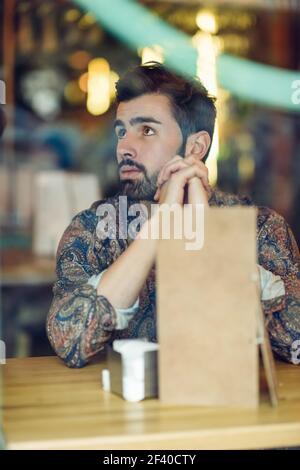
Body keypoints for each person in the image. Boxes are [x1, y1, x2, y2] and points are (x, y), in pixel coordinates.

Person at [46, 62, 300, 368]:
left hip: (228, 411)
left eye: (147, 130)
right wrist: (160, 224)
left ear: (195, 147)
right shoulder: (94, 229)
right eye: (121, 131)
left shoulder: (261, 228)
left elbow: (296, 343)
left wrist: (208, 233)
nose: (124, 147)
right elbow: (70, 342)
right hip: (123, 410)